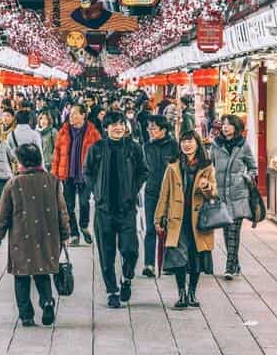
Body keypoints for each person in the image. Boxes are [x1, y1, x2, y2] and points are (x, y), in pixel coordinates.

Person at [0, 142, 71, 327]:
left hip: (21, 238)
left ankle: (26, 316)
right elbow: (62, 211)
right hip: (47, 236)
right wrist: (65, 234)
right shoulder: (52, 180)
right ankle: (47, 301)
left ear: (21, 162)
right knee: (42, 273)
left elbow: (2, 215)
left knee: (22, 276)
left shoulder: (14, 183)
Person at [84, 110, 147, 308]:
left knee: (131, 249)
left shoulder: (134, 148)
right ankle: (112, 291)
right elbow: (88, 172)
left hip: (127, 209)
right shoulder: (97, 148)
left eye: (121, 124)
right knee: (106, 253)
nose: (118, 127)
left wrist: (132, 190)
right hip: (104, 210)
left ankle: (126, 278)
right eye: (114, 125)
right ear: (106, 128)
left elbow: (143, 171)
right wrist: (97, 191)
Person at [155, 128, 217, 309]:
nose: (187, 145)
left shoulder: (206, 166)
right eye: (184, 141)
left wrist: (206, 187)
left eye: (190, 141)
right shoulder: (173, 166)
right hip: (177, 219)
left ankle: (192, 293)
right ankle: (182, 293)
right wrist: (159, 218)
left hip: (199, 220)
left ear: (197, 144)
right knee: (179, 258)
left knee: (195, 257)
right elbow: (164, 194)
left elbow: (214, 193)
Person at [211, 114, 258, 280]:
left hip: (238, 195)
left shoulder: (243, 145)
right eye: (223, 124)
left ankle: (229, 267)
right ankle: (235, 263)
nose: (225, 127)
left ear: (236, 128)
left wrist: (246, 177)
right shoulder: (216, 145)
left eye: (229, 125)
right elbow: (210, 166)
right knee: (226, 232)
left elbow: (253, 167)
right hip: (221, 195)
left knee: (234, 232)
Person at [51, 103, 100, 246]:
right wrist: (54, 174)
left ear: (83, 115)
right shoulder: (64, 131)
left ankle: (84, 226)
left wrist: (97, 174)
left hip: (86, 175)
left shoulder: (93, 132)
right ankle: (74, 233)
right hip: (67, 174)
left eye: (74, 114)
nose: (71, 116)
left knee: (85, 203)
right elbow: (57, 154)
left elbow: (99, 155)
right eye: (70, 114)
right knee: (68, 206)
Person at [142, 115, 179, 278]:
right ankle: (149, 264)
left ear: (163, 130)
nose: (150, 131)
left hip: (170, 193)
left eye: (153, 128)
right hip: (151, 191)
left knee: (170, 227)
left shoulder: (174, 146)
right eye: (149, 128)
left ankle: (168, 263)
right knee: (151, 227)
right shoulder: (146, 146)